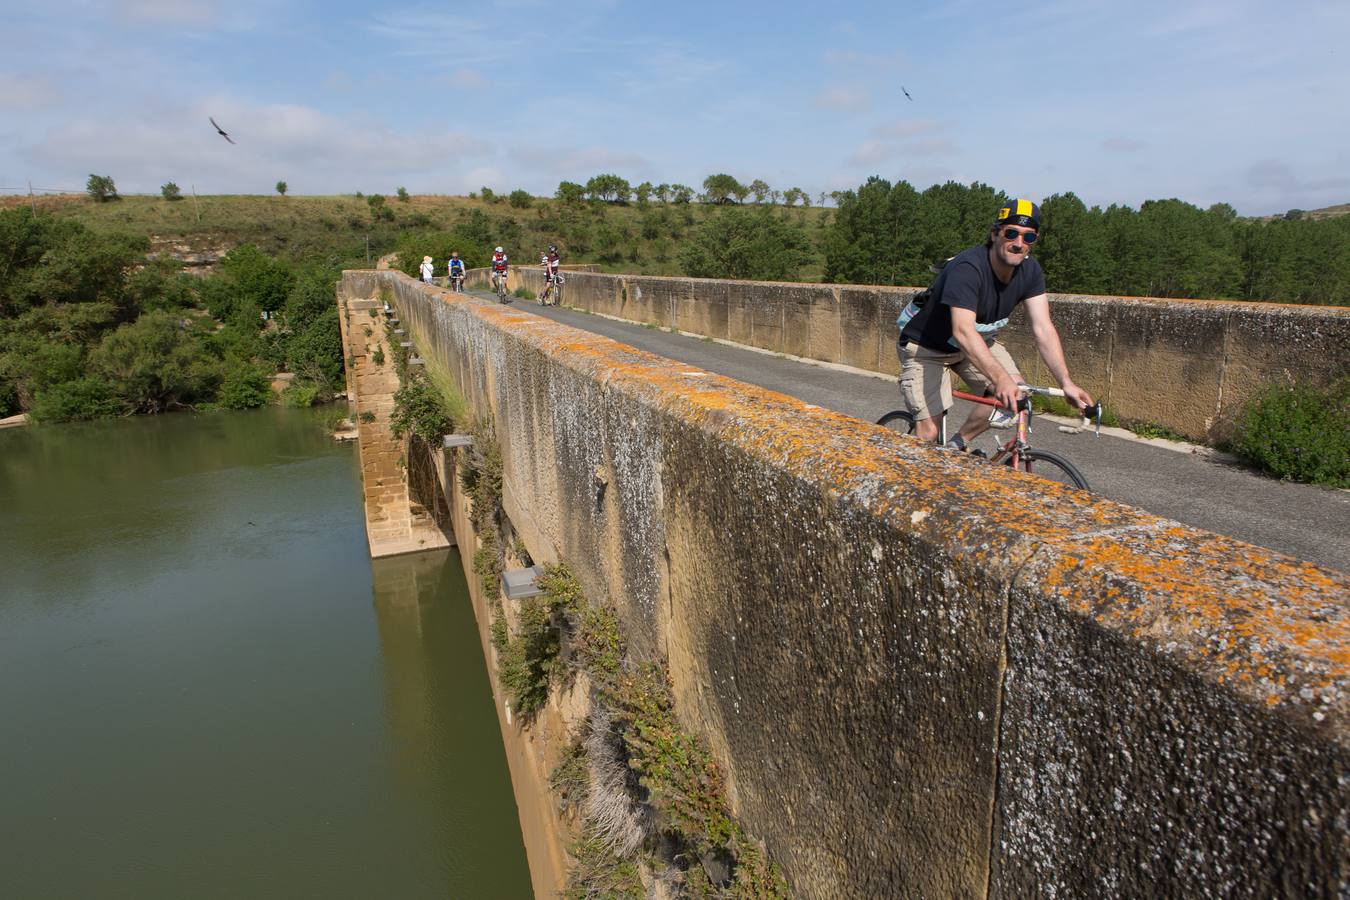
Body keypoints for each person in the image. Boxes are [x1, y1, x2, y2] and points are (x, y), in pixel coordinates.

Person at [895, 199, 1093, 449]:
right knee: (928, 434)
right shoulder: (968, 268)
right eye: (1011, 233)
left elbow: (1043, 328)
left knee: (1014, 394)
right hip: (926, 349)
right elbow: (963, 330)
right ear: (995, 234)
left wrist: (1067, 383)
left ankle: (957, 447)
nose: (1019, 243)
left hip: (975, 345)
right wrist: (1000, 378)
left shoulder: (1030, 271)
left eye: (1028, 237)